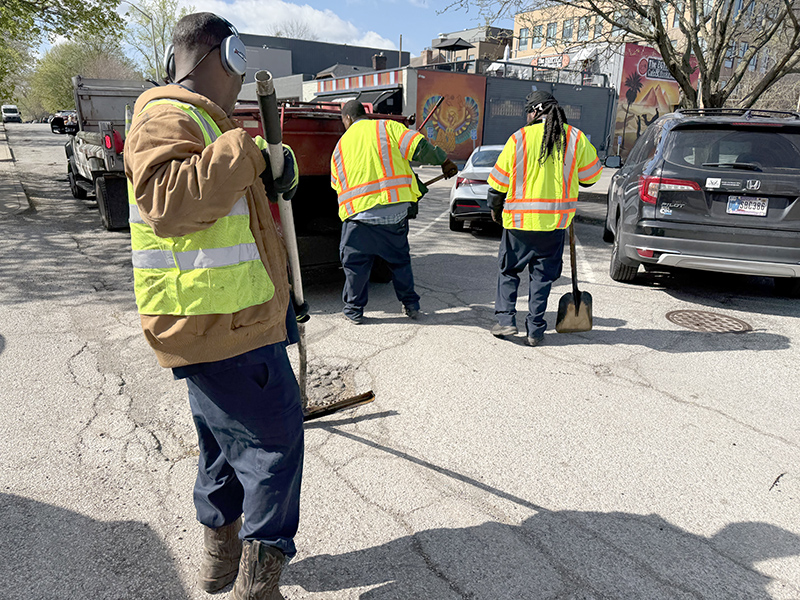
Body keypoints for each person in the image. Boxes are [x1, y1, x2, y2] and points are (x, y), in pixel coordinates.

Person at [124, 12, 302, 600]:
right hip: (225, 325)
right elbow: (170, 203)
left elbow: (231, 213)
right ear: (222, 56)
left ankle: (220, 562)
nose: (242, 78)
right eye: (239, 63)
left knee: (223, 446)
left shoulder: (199, 120)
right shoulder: (166, 115)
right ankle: (258, 579)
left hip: (219, 322)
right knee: (273, 445)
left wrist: (272, 174)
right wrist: (248, 152)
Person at [487, 90, 602, 346]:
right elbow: (591, 177)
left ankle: (506, 320)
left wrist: (495, 208)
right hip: (553, 226)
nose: (527, 116)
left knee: (508, 272)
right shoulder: (576, 138)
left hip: (518, 226)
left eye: (528, 111)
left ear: (536, 111)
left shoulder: (519, 138)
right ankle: (535, 330)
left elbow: (497, 185)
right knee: (541, 278)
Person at [331, 100, 458, 324]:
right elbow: (420, 149)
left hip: (359, 219)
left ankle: (354, 311)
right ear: (364, 114)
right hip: (394, 215)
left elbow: (336, 184)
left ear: (348, 118)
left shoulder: (339, 147)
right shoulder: (387, 127)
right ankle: (411, 305)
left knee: (355, 266)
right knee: (399, 262)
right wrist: (444, 160)